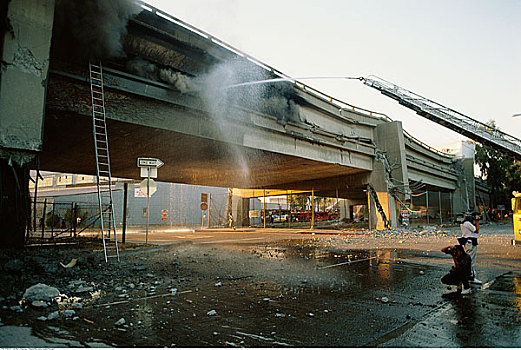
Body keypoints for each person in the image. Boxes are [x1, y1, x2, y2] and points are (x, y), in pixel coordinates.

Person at [458, 214, 482, 284]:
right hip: (470, 242)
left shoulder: (464, 223)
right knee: (470, 261)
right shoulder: (467, 223)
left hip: (468, 242)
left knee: (468, 260)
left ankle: (469, 277)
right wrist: (477, 221)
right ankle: (471, 277)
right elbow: (476, 230)